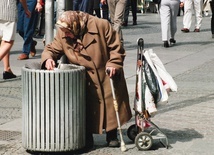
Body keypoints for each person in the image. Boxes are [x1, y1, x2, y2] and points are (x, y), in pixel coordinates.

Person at [41, 11, 132, 150]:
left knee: (110, 105)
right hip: (84, 78)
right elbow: (52, 48)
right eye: (64, 31)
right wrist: (48, 58)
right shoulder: (63, 32)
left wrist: (113, 63)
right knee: (86, 108)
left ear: (75, 26)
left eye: (68, 32)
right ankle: (86, 136)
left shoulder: (101, 25)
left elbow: (116, 47)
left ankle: (112, 134)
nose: (66, 35)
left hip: (104, 72)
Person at [0, 0, 30, 79]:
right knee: (9, 41)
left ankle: (7, 69)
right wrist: (26, 9)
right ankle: (7, 69)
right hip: (8, 11)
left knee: (4, 40)